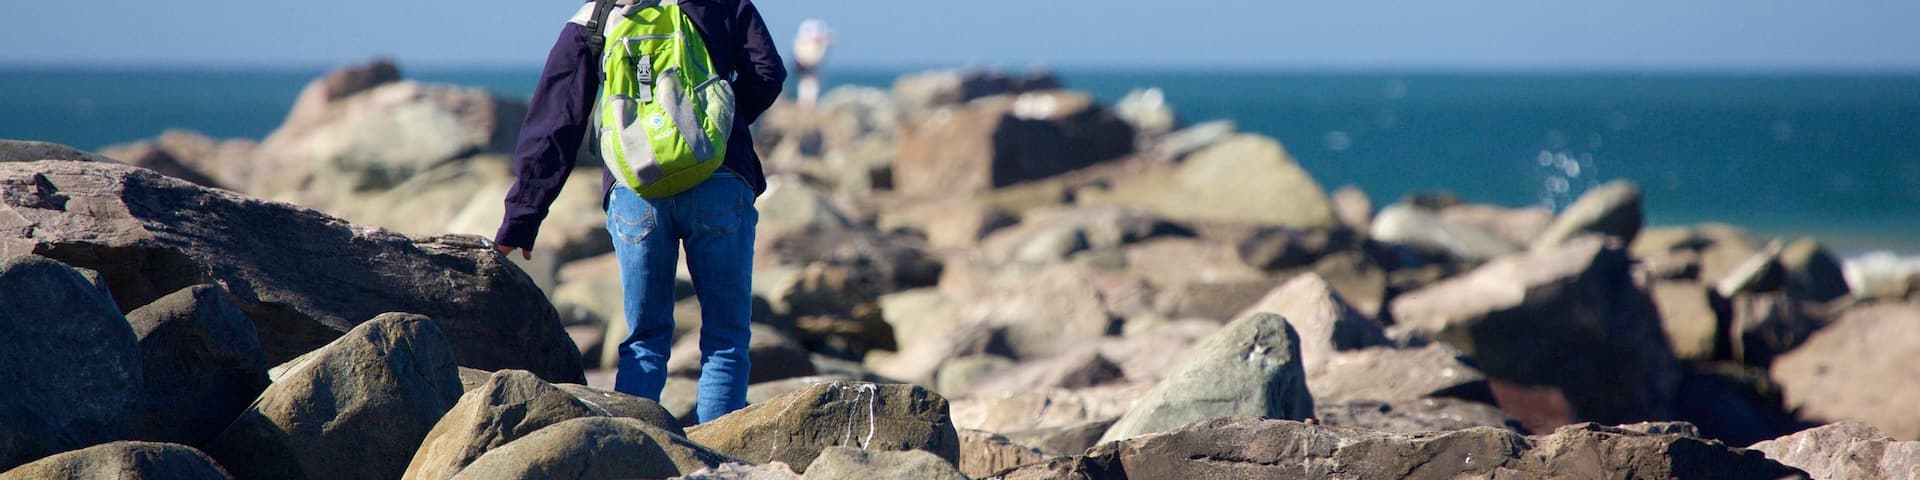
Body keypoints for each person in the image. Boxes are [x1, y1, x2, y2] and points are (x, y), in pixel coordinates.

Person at [493, 0, 785, 423]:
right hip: (719, 181)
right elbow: (767, 72)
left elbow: (557, 118)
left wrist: (523, 214)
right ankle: (720, 455)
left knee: (645, 337)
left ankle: (631, 452)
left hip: (635, 187)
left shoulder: (595, 16)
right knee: (726, 336)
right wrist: (717, 127)